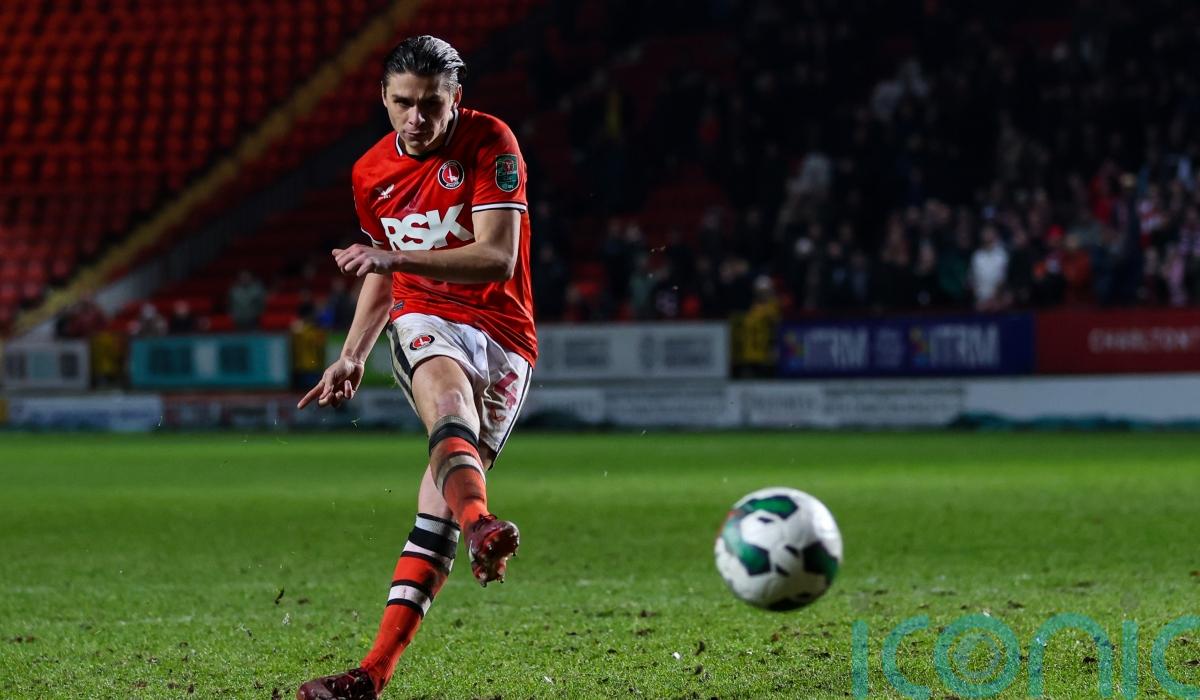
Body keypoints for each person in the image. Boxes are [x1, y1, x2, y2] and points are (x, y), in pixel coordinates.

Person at [295, 35, 537, 700]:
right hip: (424, 315)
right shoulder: (369, 173)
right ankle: (482, 524)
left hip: (505, 334)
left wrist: (393, 259)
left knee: (437, 513)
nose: (416, 118)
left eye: (431, 104)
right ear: (384, 98)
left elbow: (497, 257)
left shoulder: (492, 142)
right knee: (446, 400)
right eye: (403, 103)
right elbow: (382, 268)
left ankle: (371, 676)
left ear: (456, 98)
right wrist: (352, 353)